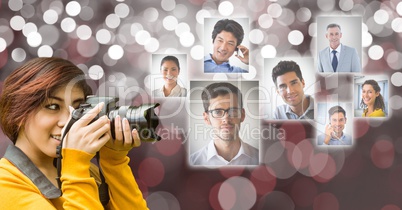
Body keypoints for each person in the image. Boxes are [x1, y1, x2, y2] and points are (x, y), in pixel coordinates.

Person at [0, 57, 148, 209]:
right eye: (52, 107)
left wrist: (114, 162)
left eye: (77, 110)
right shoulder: (5, 184)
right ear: (18, 114)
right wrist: (76, 164)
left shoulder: (86, 170)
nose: (67, 121)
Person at [190, 82, 258, 165]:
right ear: (206, 118)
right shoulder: (193, 162)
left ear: (242, 115)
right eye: (218, 112)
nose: (226, 119)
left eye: (233, 111)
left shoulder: (261, 159)